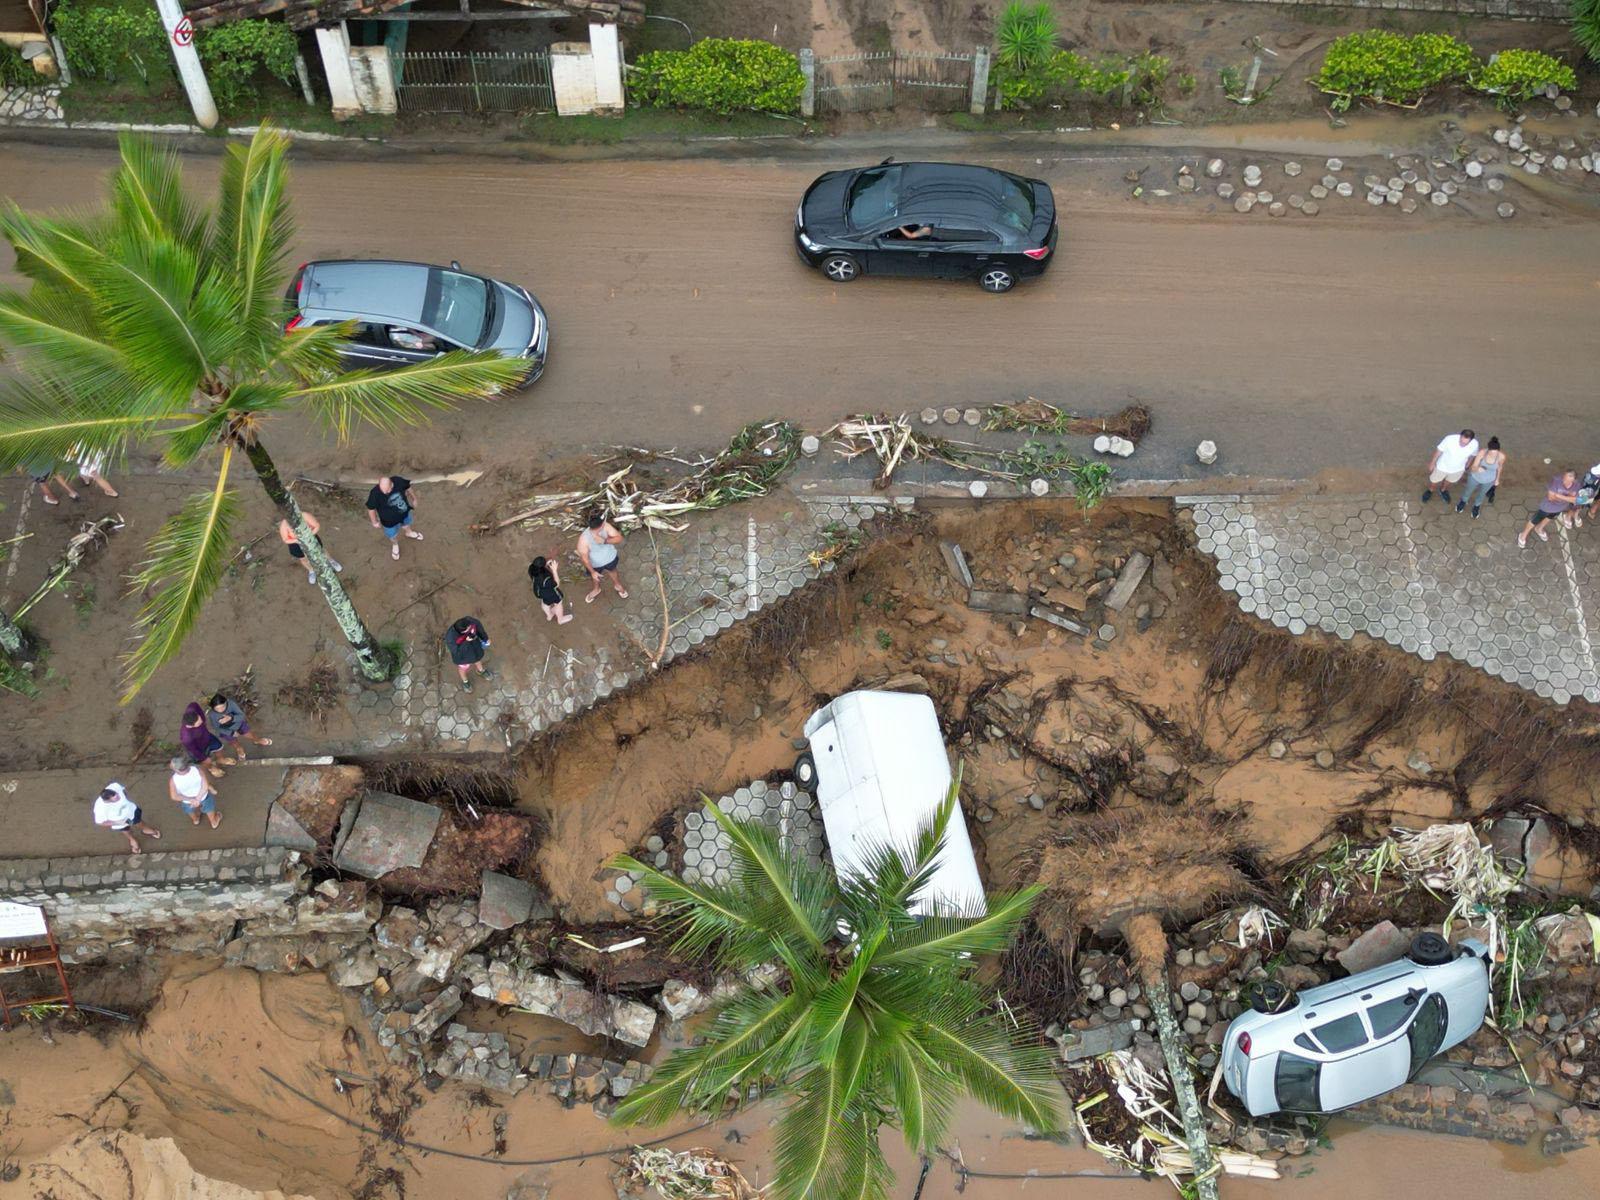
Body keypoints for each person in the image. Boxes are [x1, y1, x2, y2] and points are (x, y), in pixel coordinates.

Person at [366, 475, 423, 562]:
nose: (384, 493)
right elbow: (371, 508)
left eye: (387, 490)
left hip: (404, 513)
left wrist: (414, 499)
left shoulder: (398, 481)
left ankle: (409, 532)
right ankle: (395, 545)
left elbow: (408, 487)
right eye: (382, 490)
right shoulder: (375, 493)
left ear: (391, 485)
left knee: (407, 524)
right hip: (389, 522)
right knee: (392, 535)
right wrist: (374, 522)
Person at [1518, 469, 1580, 548]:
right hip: (1547, 506)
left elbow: (1575, 500)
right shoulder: (1556, 480)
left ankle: (1539, 529)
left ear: (1573, 480)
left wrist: (1558, 496)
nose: (1564, 481)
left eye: (1567, 480)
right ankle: (1523, 535)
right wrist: (1568, 497)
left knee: (1549, 518)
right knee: (1534, 520)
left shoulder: (1577, 485)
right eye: (1564, 478)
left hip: (1560, 508)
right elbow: (1551, 497)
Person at [94, 782, 160, 854]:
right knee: (125, 829)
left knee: (138, 822)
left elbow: (124, 791)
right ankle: (132, 839)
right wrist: (117, 822)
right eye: (116, 798)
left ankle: (145, 830)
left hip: (131, 812)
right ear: (108, 800)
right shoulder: (100, 809)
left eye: (117, 794)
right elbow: (100, 822)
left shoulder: (114, 786)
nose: (119, 797)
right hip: (121, 821)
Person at [278, 512, 343, 586]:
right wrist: (298, 540)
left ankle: (331, 562)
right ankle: (311, 571)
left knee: (321, 551)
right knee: (303, 559)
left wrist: (308, 536)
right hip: (296, 545)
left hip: (311, 539)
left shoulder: (304, 515)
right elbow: (285, 539)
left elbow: (317, 526)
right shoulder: (284, 524)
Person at [577, 512, 628, 604]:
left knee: (612, 571)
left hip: (610, 558)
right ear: (601, 526)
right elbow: (585, 558)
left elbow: (619, 538)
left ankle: (617, 585)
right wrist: (593, 572)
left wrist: (605, 541)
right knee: (596, 576)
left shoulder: (606, 526)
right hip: (595, 564)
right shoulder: (584, 540)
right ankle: (596, 589)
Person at [207, 692, 272, 761]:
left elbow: (241, 716)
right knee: (234, 742)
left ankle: (257, 740)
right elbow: (217, 728)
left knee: (250, 735)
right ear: (213, 708)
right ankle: (240, 750)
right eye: (217, 709)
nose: (220, 710)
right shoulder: (212, 715)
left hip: (238, 724)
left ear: (226, 702)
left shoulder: (231, 704)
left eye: (222, 707)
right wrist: (231, 733)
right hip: (226, 731)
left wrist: (231, 718)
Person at [1421, 429, 1479, 505]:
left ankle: (1443, 490)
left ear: (1471, 441)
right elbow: (1439, 451)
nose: (1462, 444)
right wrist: (1432, 463)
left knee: (1450, 481)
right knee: (1434, 480)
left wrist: (1468, 464)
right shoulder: (1449, 439)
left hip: (1458, 469)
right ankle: (1430, 490)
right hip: (1442, 467)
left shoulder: (1475, 444)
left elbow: (1473, 455)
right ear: (1460, 436)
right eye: (1461, 441)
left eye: (1465, 443)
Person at [180, 701, 233, 778]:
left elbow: (194, 704)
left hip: (207, 737)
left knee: (219, 747)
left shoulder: (191, 710)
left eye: (199, 717)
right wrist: (204, 758)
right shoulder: (187, 737)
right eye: (198, 722)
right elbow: (194, 750)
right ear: (191, 726)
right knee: (206, 761)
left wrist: (202, 718)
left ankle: (221, 759)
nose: (201, 720)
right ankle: (211, 768)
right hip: (199, 748)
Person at [1456, 437, 1505, 519]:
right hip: (1475, 477)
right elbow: (1473, 467)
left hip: (1489, 480)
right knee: (1468, 490)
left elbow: (1499, 467)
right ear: (1488, 450)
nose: (1493, 455)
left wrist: (1497, 479)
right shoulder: (1482, 453)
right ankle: (1463, 501)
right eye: (1491, 453)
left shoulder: (1501, 457)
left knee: (1482, 494)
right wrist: (1477, 469)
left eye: (1495, 453)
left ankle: (1476, 506)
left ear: (1498, 451)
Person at [168, 756, 221, 830]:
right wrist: (198, 799)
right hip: (203, 796)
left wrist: (191, 800)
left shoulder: (173, 780)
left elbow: (174, 796)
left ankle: (196, 820)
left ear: (177, 770)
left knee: (190, 810)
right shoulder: (196, 770)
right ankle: (214, 822)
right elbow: (205, 786)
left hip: (187, 801)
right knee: (209, 809)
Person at [445, 616, 493, 691]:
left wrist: (485, 638)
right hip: (463, 657)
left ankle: (481, 671)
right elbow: (457, 652)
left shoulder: (469, 621)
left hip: (474, 649)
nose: (471, 628)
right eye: (468, 629)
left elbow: (478, 627)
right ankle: (465, 682)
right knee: (463, 668)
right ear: (463, 632)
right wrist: (466, 642)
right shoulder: (450, 638)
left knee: (477, 660)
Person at [528, 556, 573, 624]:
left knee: (545, 602)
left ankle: (549, 615)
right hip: (550, 592)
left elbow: (539, 571)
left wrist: (546, 564)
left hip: (539, 591)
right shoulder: (546, 579)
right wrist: (554, 570)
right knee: (558, 602)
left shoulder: (531, 569)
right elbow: (557, 584)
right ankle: (560, 619)